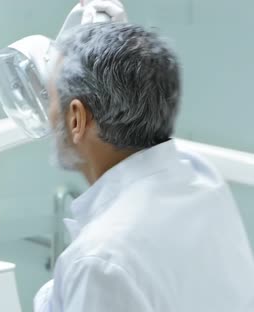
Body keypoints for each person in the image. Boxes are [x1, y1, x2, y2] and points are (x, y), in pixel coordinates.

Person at [33, 3, 254, 312]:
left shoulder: (98, 261)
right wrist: (100, 47)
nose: (46, 117)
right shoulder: (202, 179)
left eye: (52, 100)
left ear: (76, 119)